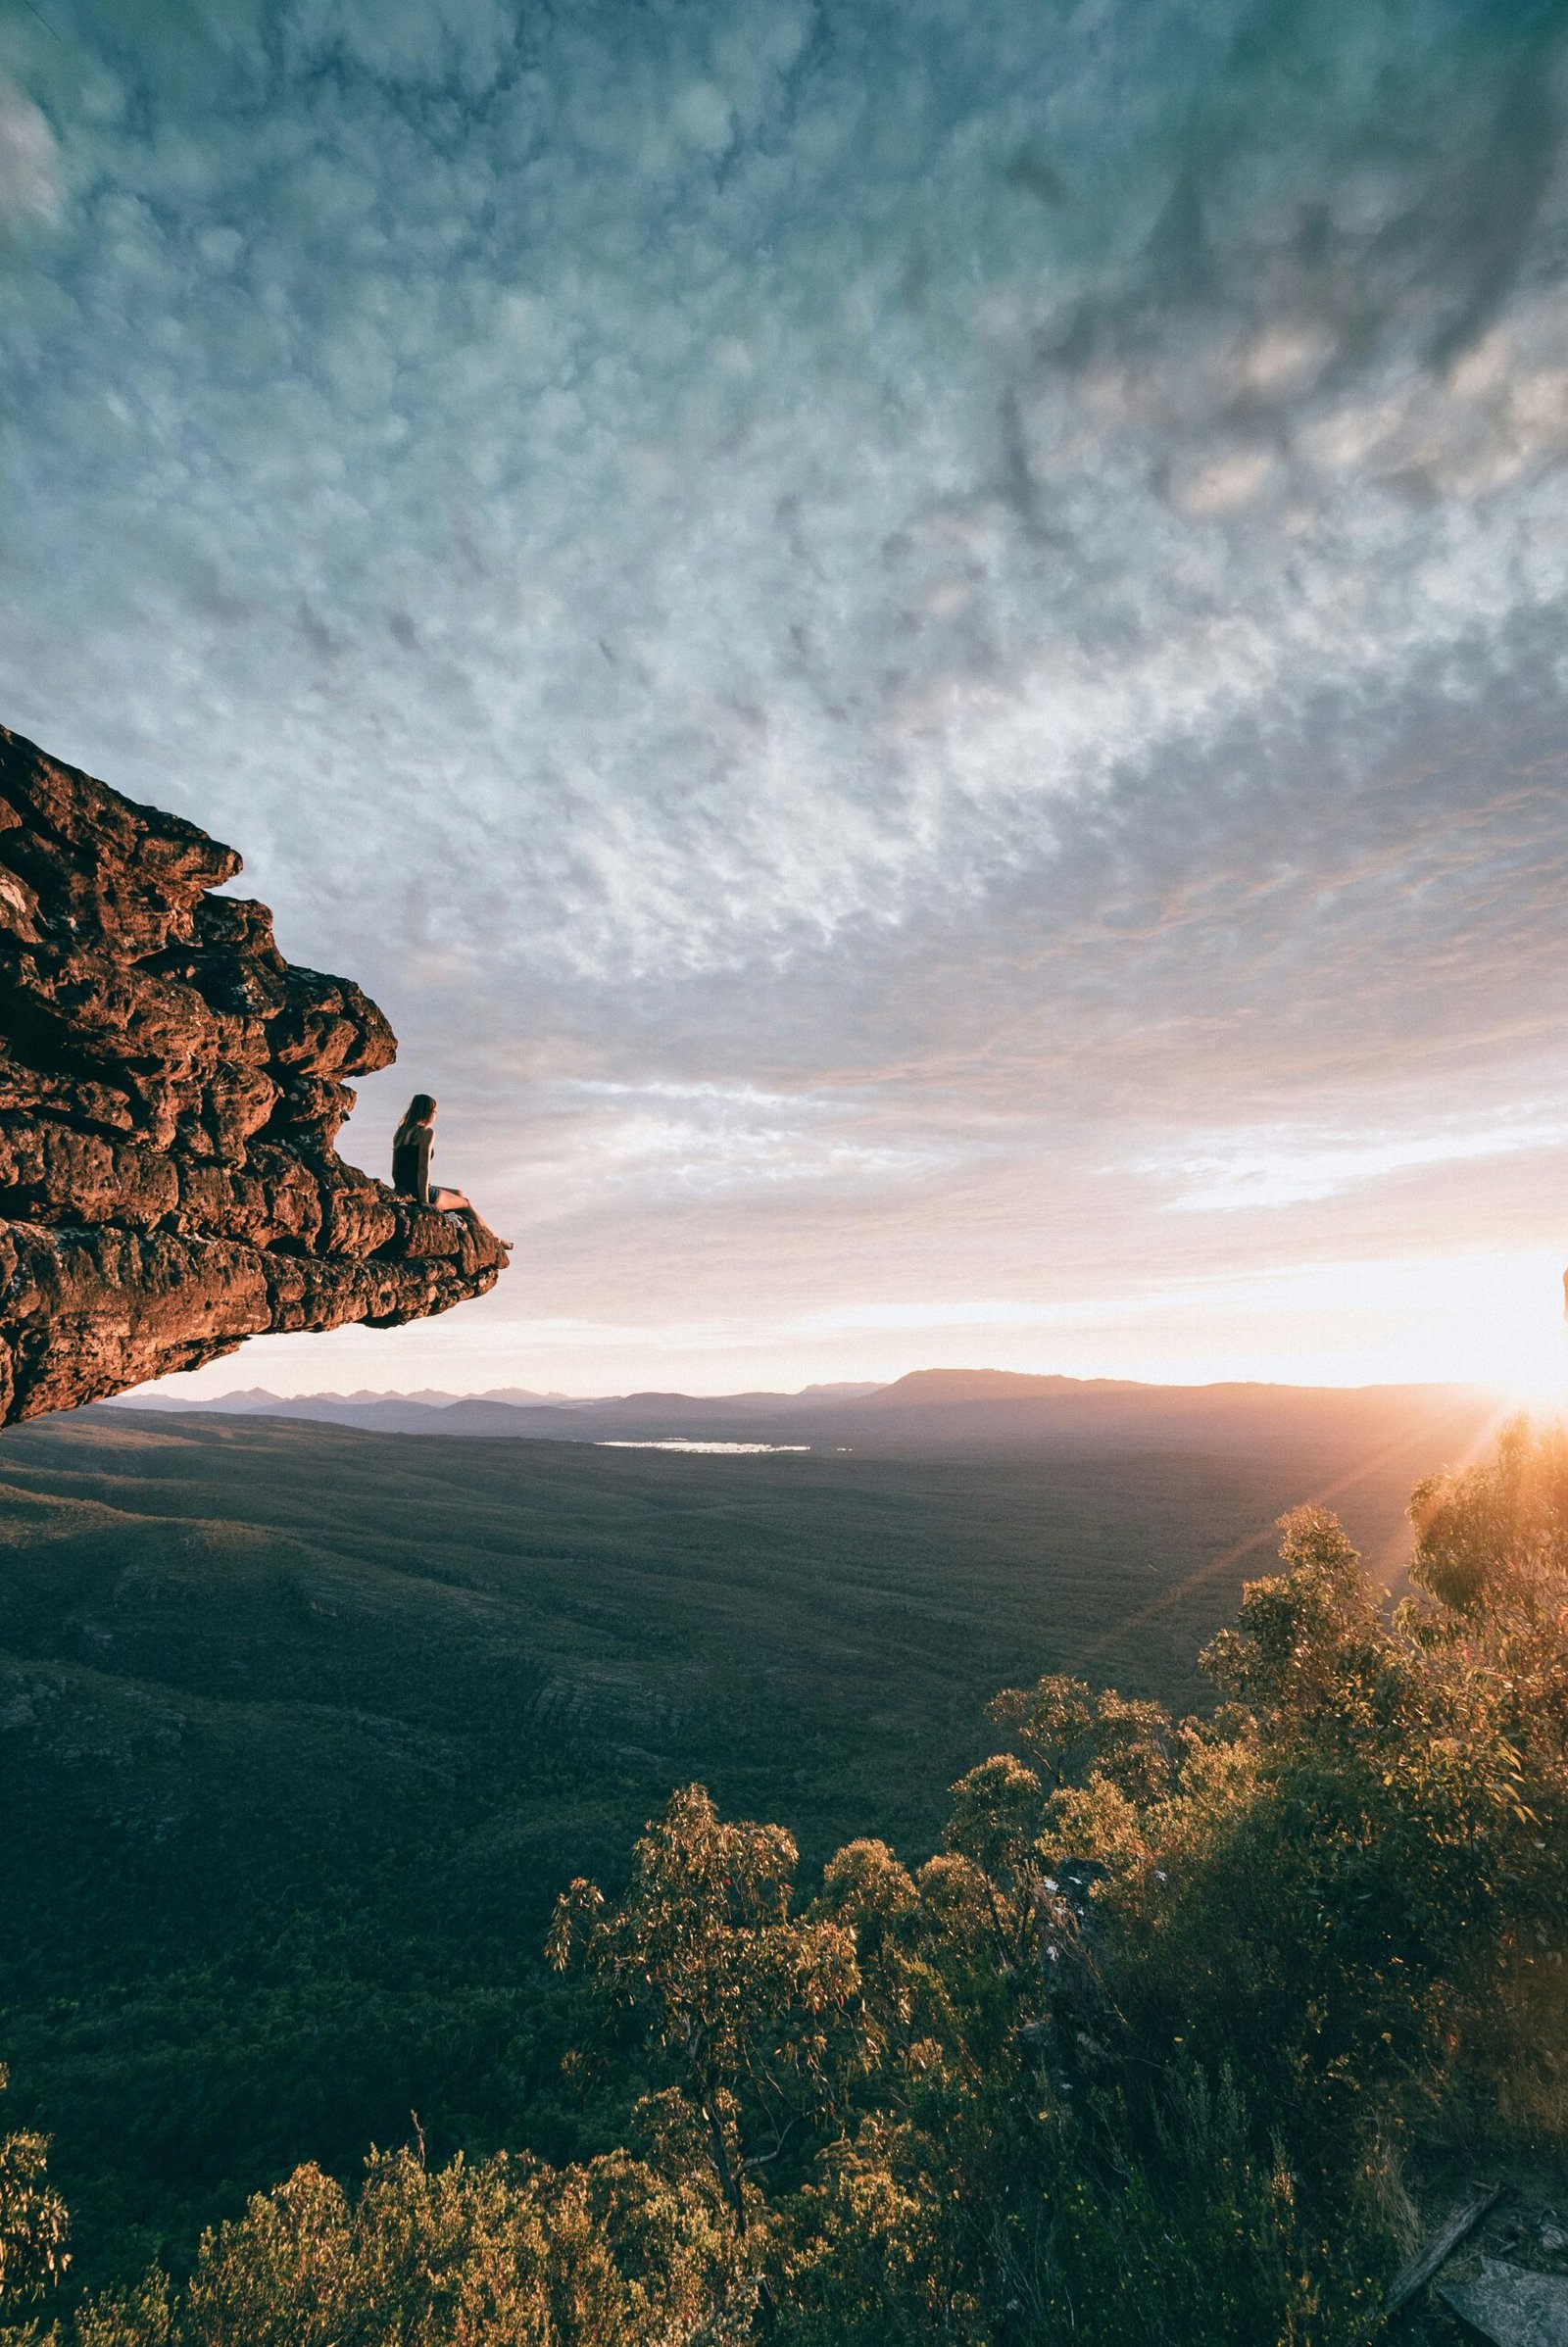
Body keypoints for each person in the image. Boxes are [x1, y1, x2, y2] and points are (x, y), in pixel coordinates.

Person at [391, 1094, 469, 1211]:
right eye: (435, 1111)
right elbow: (423, 1168)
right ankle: (486, 1231)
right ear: (427, 1112)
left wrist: (400, 1191)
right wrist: (424, 1200)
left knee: (459, 1193)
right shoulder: (426, 1133)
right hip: (420, 1191)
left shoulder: (400, 1134)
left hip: (402, 1188)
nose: (435, 1115)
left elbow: (394, 1171)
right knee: (465, 1203)